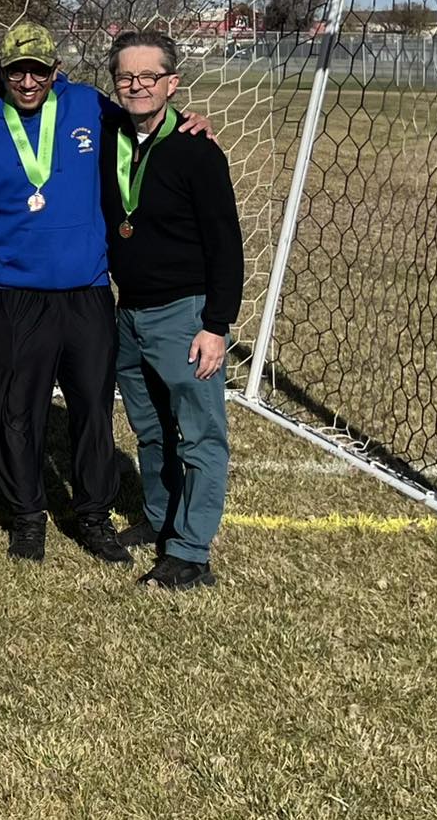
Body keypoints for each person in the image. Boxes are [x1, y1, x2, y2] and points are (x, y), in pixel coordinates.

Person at [0, 21, 200, 564]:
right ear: (2, 71)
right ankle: (28, 515)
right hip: (13, 291)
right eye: (17, 70)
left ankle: (93, 514)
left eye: (39, 69)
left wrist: (186, 124)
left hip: (84, 292)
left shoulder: (87, 105)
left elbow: (144, 124)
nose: (28, 81)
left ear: (56, 71)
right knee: (16, 411)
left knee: (93, 409)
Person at [102, 31, 243, 591]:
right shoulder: (109, 134)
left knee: (200, 434)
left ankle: (190, 551)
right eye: (126, 78)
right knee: (150, 428)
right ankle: (161, 521)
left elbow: (225, 244)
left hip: (183, 314)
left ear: (171, 83)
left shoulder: (196, 149)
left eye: (148, 77)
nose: (137, 86)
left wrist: (215, 325)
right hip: (128, 313)